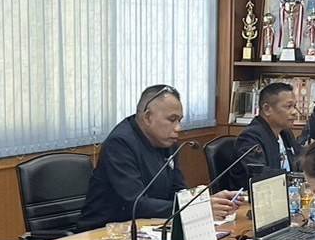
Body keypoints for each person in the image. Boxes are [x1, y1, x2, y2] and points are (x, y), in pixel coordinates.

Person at [77, 84, 237, 231]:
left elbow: (178, 191)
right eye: (172, 119)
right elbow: (136, 204)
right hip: (104, 232)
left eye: (179, 120)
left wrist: (203, 201)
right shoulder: (120, 144)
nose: (178, 128)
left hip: (149, 227)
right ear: (147, 117)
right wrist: (196, 209)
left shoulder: (166, 140)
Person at [232, 81, 300, 180]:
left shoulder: (285, 133)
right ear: (267, 109)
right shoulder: (250, 138)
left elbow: (300, 161)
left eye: (295, 106)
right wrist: (290, 177)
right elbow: (260, 175)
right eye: (288, 106)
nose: (294, 112)